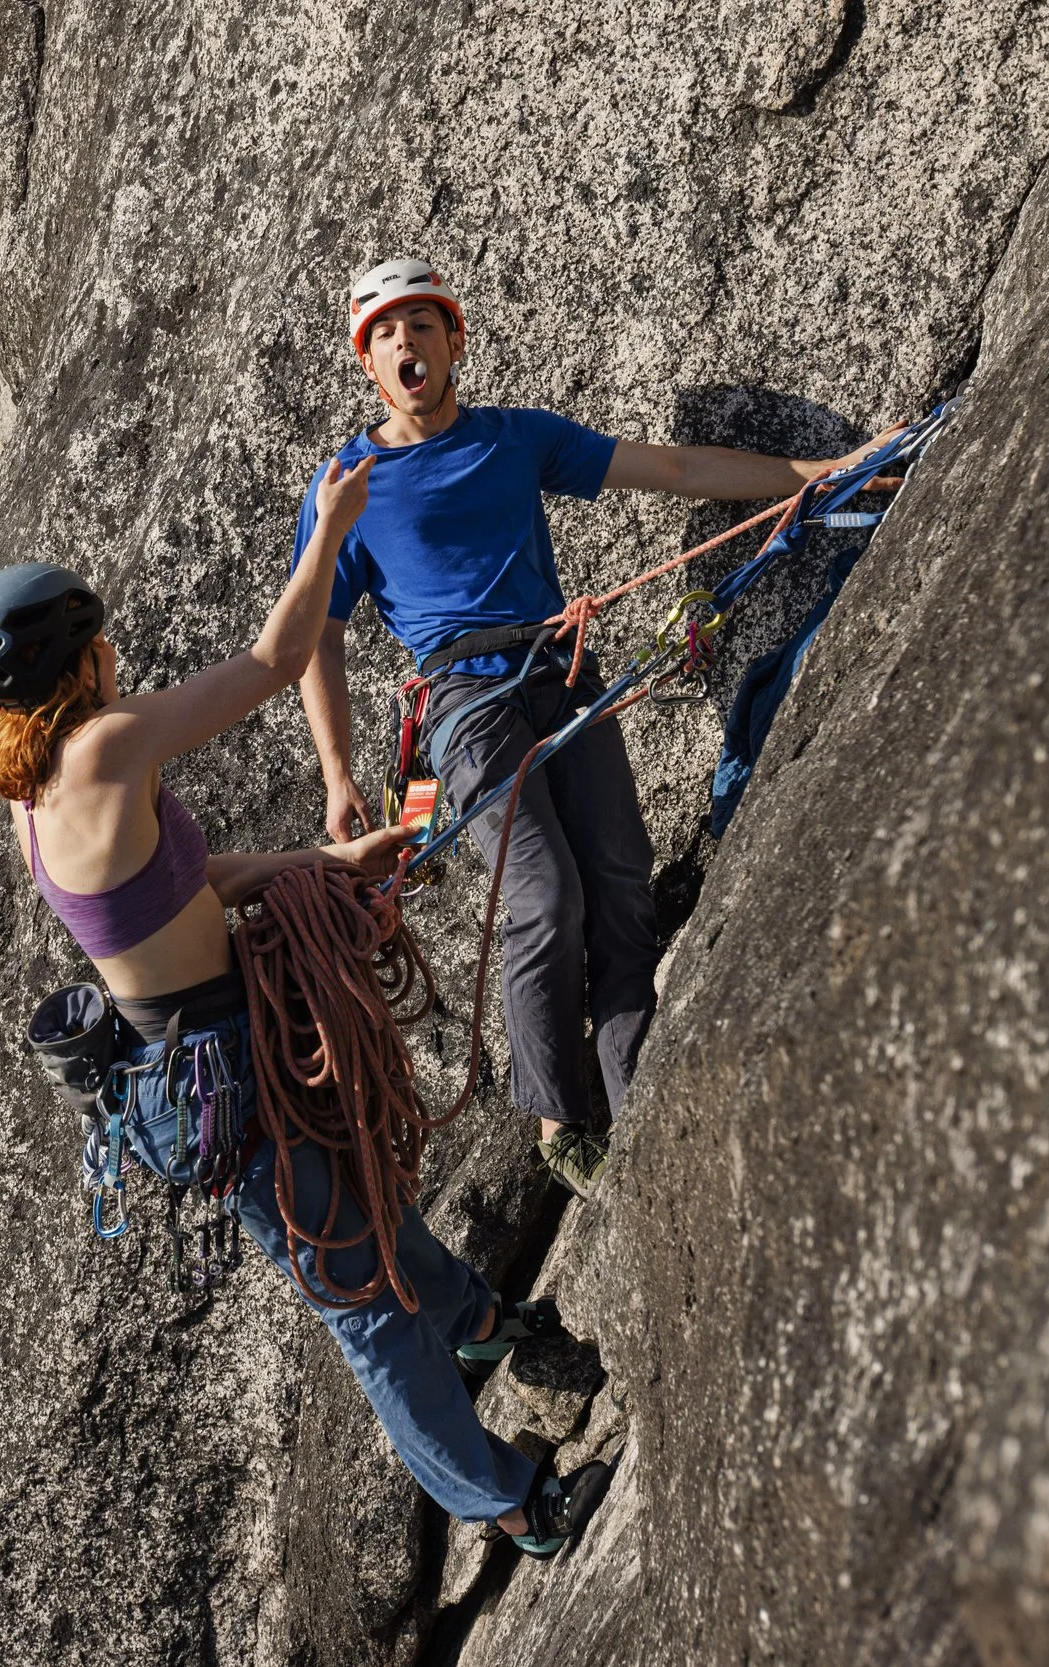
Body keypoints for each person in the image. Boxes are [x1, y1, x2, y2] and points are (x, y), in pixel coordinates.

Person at [0, 487, 613, 1555]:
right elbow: (271, 663)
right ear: (79, 667)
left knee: (367, 1199)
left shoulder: (34, 792)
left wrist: (323, 864)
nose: (114, 655)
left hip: (211, 1045)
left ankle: (480, 1327)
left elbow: (181, 880)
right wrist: (335, 521)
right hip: (209, 1073)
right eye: (99, 644)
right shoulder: (105, 747)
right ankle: (512, 1503)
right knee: (362, 1305)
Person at [295, 257, 889, 1198]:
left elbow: (676, 468)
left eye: (422, 325)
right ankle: (561, 1119)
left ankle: (633, 1083)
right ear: (367, 361)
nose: (406, 344)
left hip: (561, 670)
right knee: (542, 893)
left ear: (455, 341)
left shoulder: (515, 439)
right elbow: (315, 643)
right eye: (385, 334)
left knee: (619, 878)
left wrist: (823, 472)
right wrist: (338, 773)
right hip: (464, 701)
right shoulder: (347, 488)